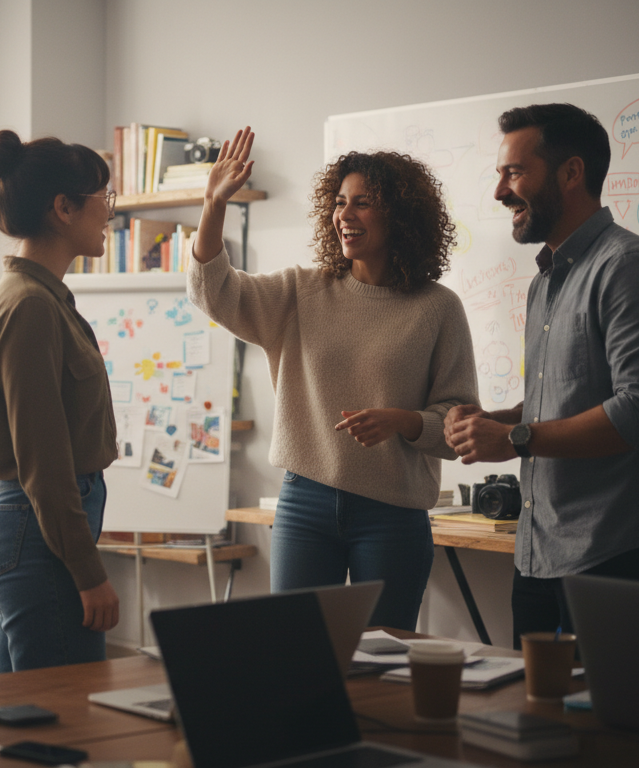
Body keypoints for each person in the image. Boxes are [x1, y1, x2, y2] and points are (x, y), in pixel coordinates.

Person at [188, 127, 478, 630]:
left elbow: (457, 424)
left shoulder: (438, 309)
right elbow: (214, 292)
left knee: (385, 659)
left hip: (393, 513)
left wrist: (405, 422)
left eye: (363, 203)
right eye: (340, 202)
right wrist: (214, 206)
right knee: (298, 655)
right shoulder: (302, 291)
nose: (345, 215)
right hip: (306, 503)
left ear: (399, 214)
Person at [443, 103, 639, 647]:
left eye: (514, 172)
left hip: (614, 552)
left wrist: (515, 438)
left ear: (571, 173)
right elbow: (558, 401)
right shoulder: (547, 280)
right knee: (538, 720)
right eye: (499, 174)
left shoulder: (630, 269)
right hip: (540, 552)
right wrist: (498, 420)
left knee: (607, 729)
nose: (499, 192)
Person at [0, 129, 121, 672]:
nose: (109, 212)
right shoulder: (31, 305)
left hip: (38, 532)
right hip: (37, 535)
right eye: (103, 198)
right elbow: (43, 461)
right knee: (66, 719)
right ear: (63, 207)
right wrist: (90, 573)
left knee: (26, 721)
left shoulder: (41, 296)